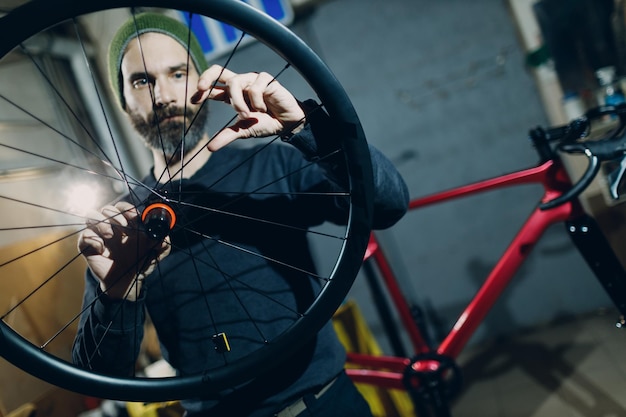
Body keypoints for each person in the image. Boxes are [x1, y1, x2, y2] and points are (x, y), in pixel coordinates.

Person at [72, 12, 409, 417]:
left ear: (202, 81)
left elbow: (389, 203)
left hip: (324, 404)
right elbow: (101, 373)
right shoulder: (123, 224)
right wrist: (119, 291)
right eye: (142, 81)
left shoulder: (272, 166)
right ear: (122, 100)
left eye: (177, 73)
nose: (162, 95)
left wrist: (307, 126)